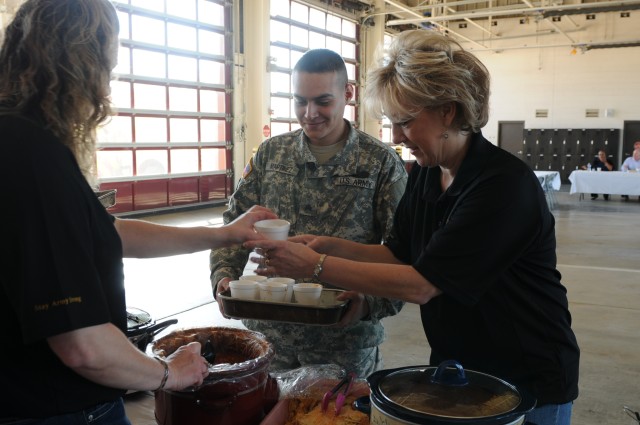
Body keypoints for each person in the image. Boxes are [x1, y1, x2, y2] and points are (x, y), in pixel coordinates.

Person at [244, 30, 580, 425]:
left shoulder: (502, 186)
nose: (398, 137)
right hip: (459, 367)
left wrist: (314, 265)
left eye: (405, 122)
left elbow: (422, 284)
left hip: (526, 377)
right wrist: (329, 246)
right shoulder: (429, 171)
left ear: (448, 112)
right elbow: (397, 254)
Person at [0, 1, 277, 423]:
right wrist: (167, 374)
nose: (107, 86)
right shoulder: (33, 155)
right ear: (83, 63)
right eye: (107, 67)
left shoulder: (16, 138)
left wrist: (225, 235)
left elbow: (108, 232)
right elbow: (82, 344)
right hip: (56, 408)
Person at [209, 48, 408, 377]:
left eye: (322, 101)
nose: (309, 113)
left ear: (348, 93)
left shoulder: (380, 163)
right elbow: (234, 223)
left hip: (344, 343)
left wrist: (371, 302)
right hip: (270, 337)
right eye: (300, 101)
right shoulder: (272, 154)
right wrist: (223, 277)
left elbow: (404, 254)